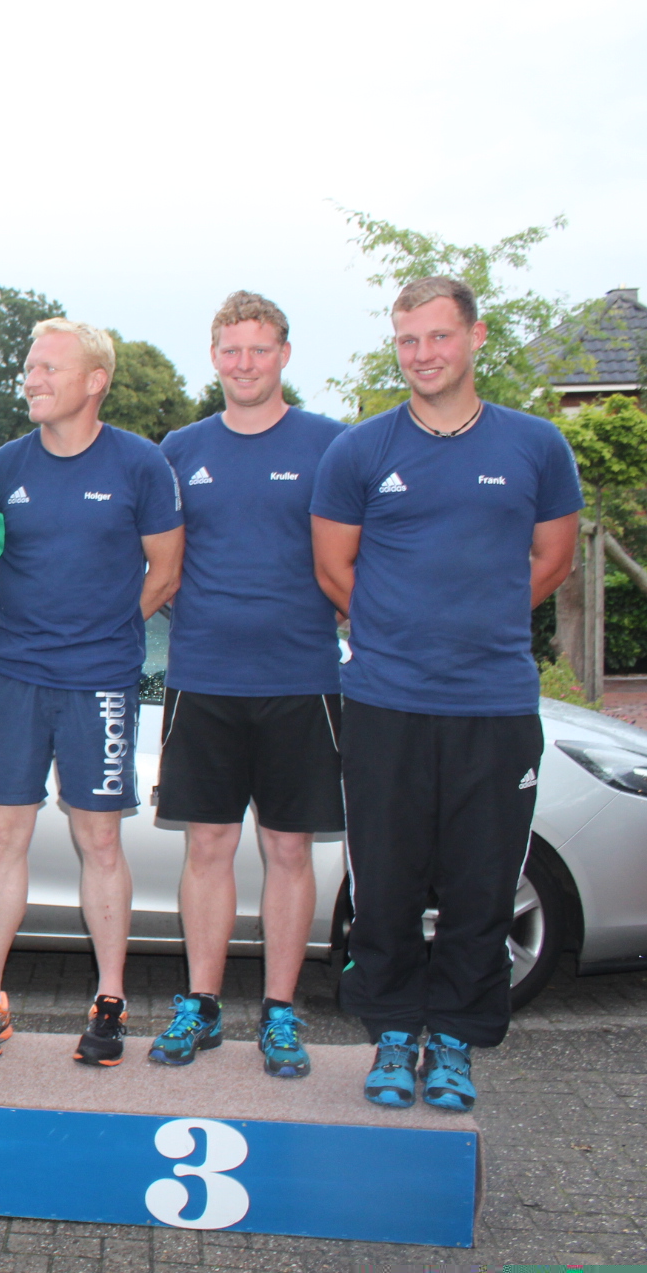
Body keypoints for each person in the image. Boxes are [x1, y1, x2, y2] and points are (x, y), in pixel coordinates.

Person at [312, 276, 580, 1113]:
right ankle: (394, 1034)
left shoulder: (536, 446)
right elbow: (333, 567)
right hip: (385, 702)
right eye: (407, 339)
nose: (422, 354)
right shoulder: (360, 450)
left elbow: (553, 560)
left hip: (495, 705)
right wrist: (403, 630)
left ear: (475, 337)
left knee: (481, 884)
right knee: (386, 882)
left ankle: (456, 1041)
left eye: (438, 336)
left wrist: (478, 624)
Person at [0, 318, 183, 1066]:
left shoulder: (140, 463)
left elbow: (166, 570)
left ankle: (110, 1000)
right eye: (30, 367)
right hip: (15, 676)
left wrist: (106, 631)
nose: (32, 379)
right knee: (3, 838)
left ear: (95, 381)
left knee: (100, 840)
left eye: (49, 368)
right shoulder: (2, 466)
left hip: (101, 683)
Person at [149, 292, 347, 1079]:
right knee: (208, 846)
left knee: (288, 849)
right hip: (203, 677)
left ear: (284, 355)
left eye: (259, 349)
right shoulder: (181, 448)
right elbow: (158, 561)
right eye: (231, 350)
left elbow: (355, 557)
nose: (244, 364)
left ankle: (280, 1013)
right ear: (214, 357)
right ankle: (200, 1006)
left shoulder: (332, 444)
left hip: (302, 679)